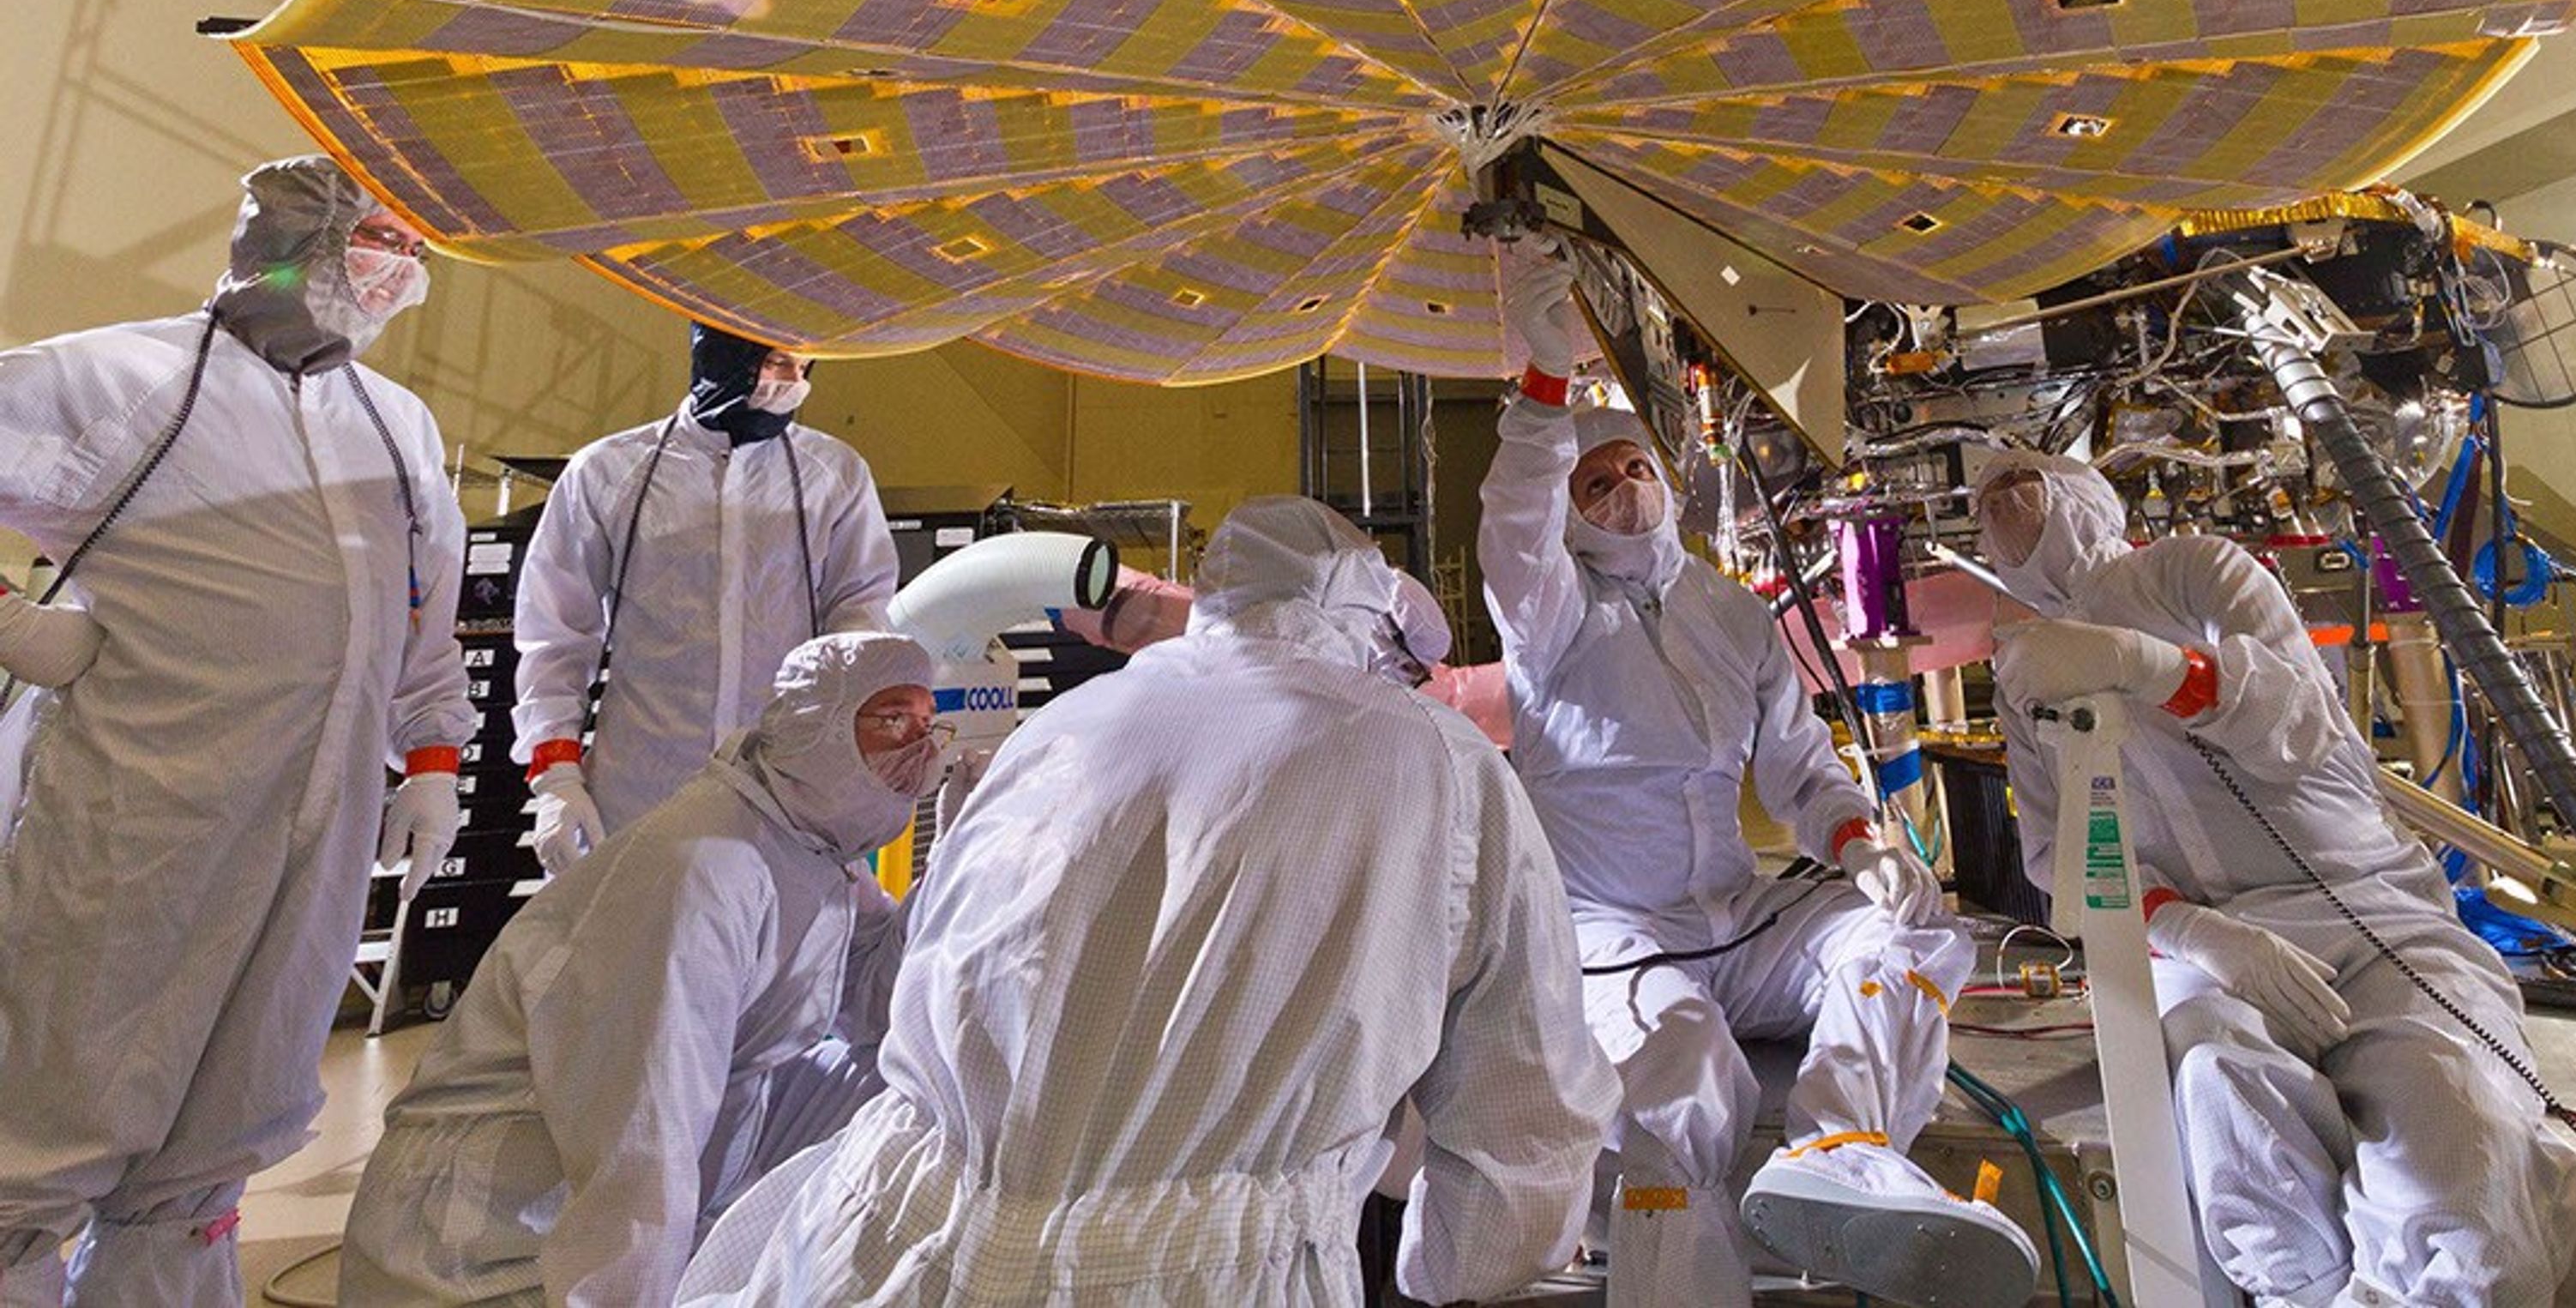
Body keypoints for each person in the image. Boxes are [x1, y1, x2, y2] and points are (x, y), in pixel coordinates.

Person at [675, 494, 1617, 1307]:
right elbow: (1524, 1104)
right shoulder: (1444, 767)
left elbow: (916, 975)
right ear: (1374, 629)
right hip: (1198, 1277)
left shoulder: (1061, 724)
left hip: (886, 1242)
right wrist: (1458, 1263)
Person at [1484, 242, 2037, 1308]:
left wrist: (1860, 844)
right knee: (1686, 1081)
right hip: (1615, 930)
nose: (1623, 488)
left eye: (1636, 468)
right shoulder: (1551, 617)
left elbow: (1798, 765)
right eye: (1595, 482)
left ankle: (1839, 1152)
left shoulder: (1730, 612)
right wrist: (1545, 384)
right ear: (1569, 511)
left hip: (1738, 915)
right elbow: (1511, 525)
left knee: (1914, 935)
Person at [0, 157, 470, 1306]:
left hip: (318, 838)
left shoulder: (395, 423)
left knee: (225, 1125)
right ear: (294, 241)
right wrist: (12, 621)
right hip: (138, 821)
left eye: (416, 248)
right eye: (378, 236)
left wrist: (433, 755)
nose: (398, 269)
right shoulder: (122, 378)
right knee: (52, 1109)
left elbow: (424, 611)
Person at [1975, 447, 2576, 1308]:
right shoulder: (2022, 672)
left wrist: (2147, 664)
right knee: (2226, 1098)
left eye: (2023, 488)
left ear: (2081, 496)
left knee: (2455, 1122)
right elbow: (2058, 854)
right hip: (2204, 953)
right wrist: (2196, 932)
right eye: (1987, 503)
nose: (2004, 510)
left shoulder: (2195, 568)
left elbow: (2300, 724)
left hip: (2371, 912)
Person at [337, 632, 942, 1306]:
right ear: (815, 724)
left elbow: (880, 1008)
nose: (917, 751)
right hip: (480, 1243)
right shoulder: (708, 868)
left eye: (927, 726)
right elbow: (641, 1142)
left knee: (905, 1080)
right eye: (893, 721)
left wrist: (954, 862)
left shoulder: (811, 852)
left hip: (626, 1187)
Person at [514, 322, 899, 869]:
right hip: (640, 787)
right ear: (723, 354)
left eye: (802, 366)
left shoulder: (834, 476)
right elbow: (557, 635)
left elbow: (860, 619)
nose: (793, 383)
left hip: (783, 792)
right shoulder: (609, 473)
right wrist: (556, 773)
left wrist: (850, 760)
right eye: (776, 364)